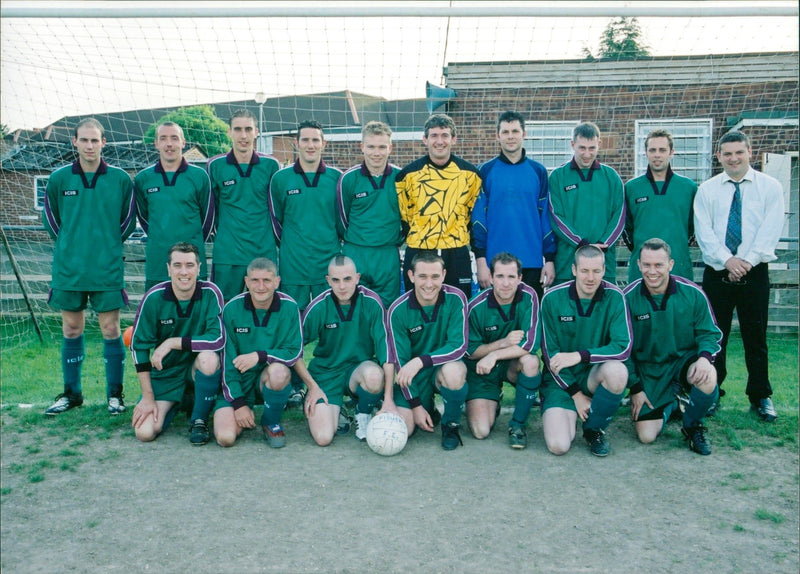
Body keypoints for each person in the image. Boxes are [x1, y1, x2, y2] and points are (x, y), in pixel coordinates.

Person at [42, 118, 136, 416]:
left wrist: (105, 245)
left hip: (106, 267)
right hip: (70, 267)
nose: (90, 145)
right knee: (71, 329)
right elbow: (52, 221)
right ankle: (72, 394)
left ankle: (115, 395)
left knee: (110, 328)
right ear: (74, 142)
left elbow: (127, 222)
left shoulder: (120, 179)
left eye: (95, 140)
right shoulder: (59, 179)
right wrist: (73, 245)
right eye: (84, 140)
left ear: (104, 142)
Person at [694, 130, 784, 422]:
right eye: (727, 154)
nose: (733, 158)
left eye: (739, 153)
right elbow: (703, 232)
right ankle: (711, 392)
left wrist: (745, 261)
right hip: (718, 272)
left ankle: (760, 395)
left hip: (754, 271)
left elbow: (770, 229)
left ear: (750, 152)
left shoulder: (770, 187)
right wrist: (727, 260)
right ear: (719, 156)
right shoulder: (707, 189)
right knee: (716, 336)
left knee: (755, 336)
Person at [624, 239, 721, 455]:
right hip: (649, 370)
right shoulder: (627, 299)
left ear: (670, 264)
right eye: (647, 265)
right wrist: (636, 388)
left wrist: (704, 359)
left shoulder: (693, 294)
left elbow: (709, 333)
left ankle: (692, 425)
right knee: (646, 436)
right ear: (638, 264)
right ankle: (674, 403)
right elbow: (623, 349)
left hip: (682, 363)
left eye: (658, 265)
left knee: (708, 376)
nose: (652, 271)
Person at [269, 120, 342, 407]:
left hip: (328, 268)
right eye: (306, 140)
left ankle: (332, 378)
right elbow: (277, 222)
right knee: (293, 328)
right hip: (294, 266)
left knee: (332, 324)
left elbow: (343, 222)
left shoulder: (337, 178)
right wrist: (292, 248)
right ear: (295, 144)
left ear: (324, 144)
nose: (311, 145)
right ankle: (294, 385)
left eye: (316, 140)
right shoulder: (281, 179)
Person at [539, 245, 631, 456]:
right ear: (574, 270)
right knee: (558, 446)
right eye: (584, 271)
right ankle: (563, 407)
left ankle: (594, 429)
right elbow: (549, 354)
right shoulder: (552, 299)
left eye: (596, 271)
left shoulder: (615, 297)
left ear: (604, 270)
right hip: (561, 381)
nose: (590, 277)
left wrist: (580, 355)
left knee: (617, 372)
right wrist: (576, 395)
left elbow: (622, 347)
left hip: (593, 375)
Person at [129, 242, 224, 445]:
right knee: (144, 433)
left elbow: (217, 339)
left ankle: (198, 419)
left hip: (195, 370)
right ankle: (180, 401)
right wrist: (147, 397)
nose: (184, 272)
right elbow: (139, 348)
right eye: (178, 265)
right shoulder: (154, 298)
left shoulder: (210, 293)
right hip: (167, 373)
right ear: (168, 269)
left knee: (209, 359)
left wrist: (173, 342)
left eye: (190, 265)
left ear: (199, 268)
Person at [293, 256, 392, 446]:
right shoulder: (319, 306)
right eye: (336, 280)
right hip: (326, 373)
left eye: (347, 279)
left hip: (359, 370)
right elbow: (293, 350)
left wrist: (388, 399)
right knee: (323, 438)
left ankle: (363, 414)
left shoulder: (371, 302)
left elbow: (386, 353)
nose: (342, 286)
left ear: (357, 278)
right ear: (328, 280)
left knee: (373, 376)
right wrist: (312, 387)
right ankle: (337, 412)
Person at [383, 251, 469, 450]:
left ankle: (451, 425)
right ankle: (428, 407)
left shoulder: (456, 298)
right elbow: (401, 363)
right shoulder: (398, 309)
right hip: (413, 378)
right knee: (405, 429)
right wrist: (416, 406)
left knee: (455, 371)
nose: (429, 284)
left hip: (440, 369)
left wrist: (421, 360)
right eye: (422, 276)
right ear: (411, 276)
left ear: (444, 275)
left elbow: (459, 346)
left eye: (435, 277)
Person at [214, 258, 303, 448]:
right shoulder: (231, 309)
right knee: (225, 438)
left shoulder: (289, 307)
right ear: (246, 281)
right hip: (239, 383)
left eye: (267, 280)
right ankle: (240, 408)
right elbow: (226, 362)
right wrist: (238, 404)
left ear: (277, 281)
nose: (260, 286)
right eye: (255, 280)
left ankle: (271, 421)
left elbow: (294, 352)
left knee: (280, 372)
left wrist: (259, 355)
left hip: (268, 380)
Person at [396, 114, 482, 299]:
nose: (440, 141)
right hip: (419, 250)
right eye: (434, 135)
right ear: (425, 139)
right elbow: (406, 217)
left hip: (456, 252)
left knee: (457, 305)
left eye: (445, 135)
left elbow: (472, 217)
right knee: (416, 309)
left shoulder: (471, 175)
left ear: (454, 139)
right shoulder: (407, 176)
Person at [472, 111, 555, 299]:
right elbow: (478, 221)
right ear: (497, 136)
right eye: (506, 132)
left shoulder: (538, 171)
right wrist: (481, 262)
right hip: (496, 265)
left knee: (530, 321)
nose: (511, 136)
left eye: (515, 131)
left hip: (531, 261)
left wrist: (549, 259)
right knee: (494, 323)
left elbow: (546, 219)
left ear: (524, 134)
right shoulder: (485, 171)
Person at [465, 252, 541, 449]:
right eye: (500, 276)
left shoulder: (529, 296)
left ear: (520, 278)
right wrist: (501, 344)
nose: (506, 283)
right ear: (490, 278)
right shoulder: (475, 306)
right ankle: (493, 400)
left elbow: (531, 343)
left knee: (531, 362)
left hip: (509, 364)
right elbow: (471, 352)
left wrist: (495, 355)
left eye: (511, 277)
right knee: (481, 431)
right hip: (483, 372)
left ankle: (517, 425)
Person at [207, 110, 280, 301]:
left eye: (248, 129)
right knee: (224, 309)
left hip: (262, 252)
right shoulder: (215, 165)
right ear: (230, 132)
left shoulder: (271, 165)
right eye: (238, 129)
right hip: (228, 254)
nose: (243, 135)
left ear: (256, 131)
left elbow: (277, 210)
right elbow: (210, 211)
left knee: (264, 311)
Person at [134, 122, 214, 289]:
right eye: (163, 138)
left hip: (192, 258)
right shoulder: (143, 178)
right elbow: (143, 216)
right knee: (159, 311)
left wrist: (192, 241)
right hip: (158, 259)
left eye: (174, 138)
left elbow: (208, 219)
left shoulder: (199, 176)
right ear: (156, 143)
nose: (169, 143)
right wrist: (160, 235)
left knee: (195, 311)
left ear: (183, 142)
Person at [548, 122, 625, 285]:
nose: (587, 154)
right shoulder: (557, 176)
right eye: (582, 148)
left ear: (599, 145)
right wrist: (582, 244)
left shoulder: (611, 177)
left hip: (603, 263)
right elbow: (556, 217)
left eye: (592, 148)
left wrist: (603, 244)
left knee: (604, 310)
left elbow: (619, 216)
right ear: (572, 145)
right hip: (567, 265)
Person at [336, 121, 403, 307]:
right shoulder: (349, 178)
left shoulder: (400, 178)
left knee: (387, 308)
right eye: (371, 146)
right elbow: (341, 220)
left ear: (390, 148)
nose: (376, 152)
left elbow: (408, 218)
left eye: (382, 147)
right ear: (362, 147)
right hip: (357, 253)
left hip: (387, 254)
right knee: (354, 308)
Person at [624, 129, 697, 282]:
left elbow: (694, 227)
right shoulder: (631, 188)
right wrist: (640, 250)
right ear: (646, 153)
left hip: (678, 266)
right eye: (652, 150)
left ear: (671, 152)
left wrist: (677, 246)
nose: (657, 154)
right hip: (642, 269)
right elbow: (626, 227)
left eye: (662, 150)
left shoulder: (688, 188)